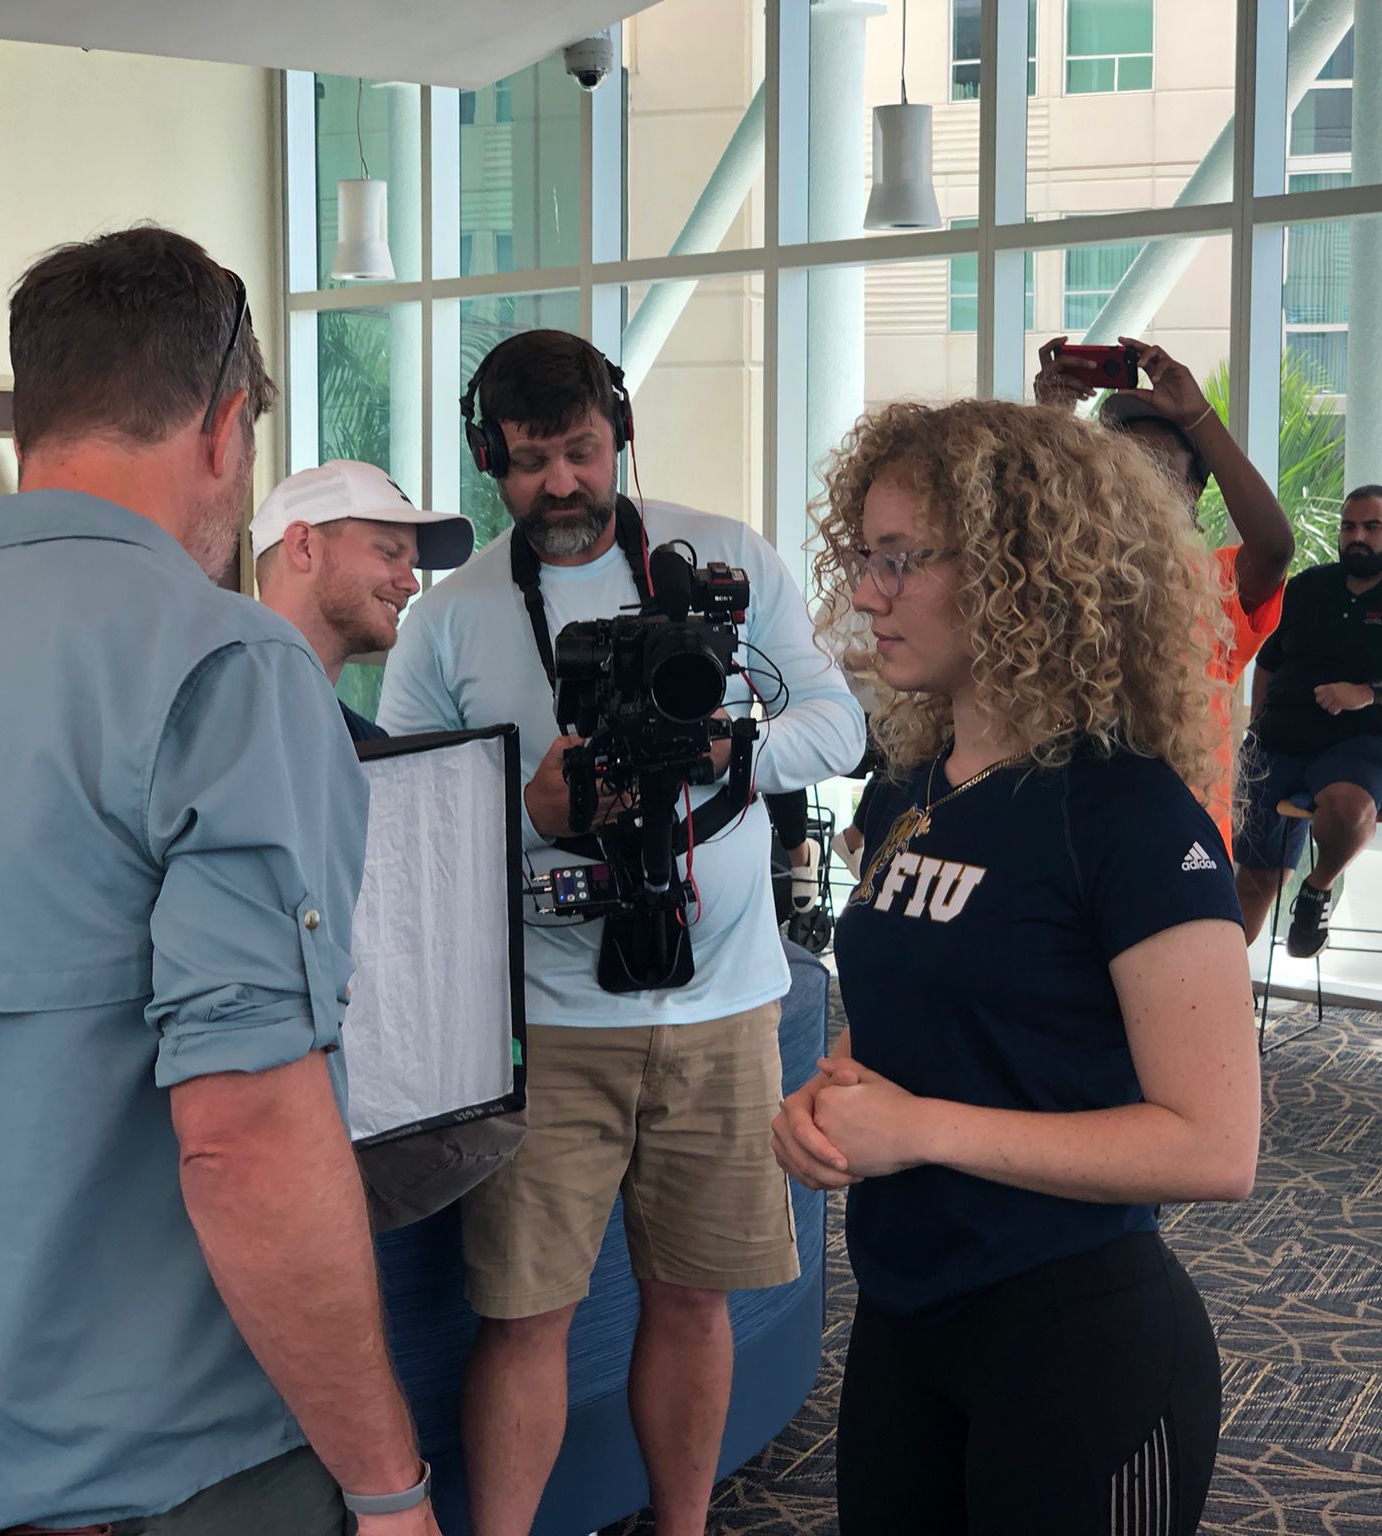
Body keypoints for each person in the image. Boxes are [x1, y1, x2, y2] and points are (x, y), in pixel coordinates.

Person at [0, 227, 438, 1536]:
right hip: (188, 1479)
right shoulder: (230, 673)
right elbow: (246, 1133)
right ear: (226, 430)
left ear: (33, 421)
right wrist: (389, 1487)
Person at [377, 329, 866, 1536]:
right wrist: (529, 810)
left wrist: (720, 747)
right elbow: (401, 813)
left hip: (722, 1004)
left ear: (618, 438)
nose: (559, 484)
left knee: (695, 1299)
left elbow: (839, 728)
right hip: (544, 1023)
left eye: (580, 452)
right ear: (491, 458)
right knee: (525, 1317)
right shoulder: (450, 617)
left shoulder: (725, 562)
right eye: (529, 459)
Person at [773, 398, 1260, 1535]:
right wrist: (835, 1092)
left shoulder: (1127, 817)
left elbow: (1213, 1143)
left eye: (902, 560)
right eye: (863, 557)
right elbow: (926, 1003)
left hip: (1077, 1336)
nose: (866, 593)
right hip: (905, 1316)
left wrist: (925, 1128)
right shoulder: (908, 790)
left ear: (1014, 573)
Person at [1036, 334, 1294, 853]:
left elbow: (1273, 546)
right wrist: (1051, 424)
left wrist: (1199, 416)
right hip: (1076, 840)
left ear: (1194, 492)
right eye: (1123, 471)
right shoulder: (1068, 577)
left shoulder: (1213, 584)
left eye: (1157, 471)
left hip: (1185, 850)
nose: (1139, 488)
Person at [1232, 484, 1382, 959]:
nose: (1356, 537)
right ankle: (1218, 984)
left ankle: (1318, 889)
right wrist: (1257, 726)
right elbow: (1268, 664)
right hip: (1281, 741)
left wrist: (1370, 693)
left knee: (1344, 808)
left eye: (1371, 527)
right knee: (1252, 873)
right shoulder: (1307, 588)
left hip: (1373, 742)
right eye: (1349, 527)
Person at [250, 458, 475, 743]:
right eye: (389, 552)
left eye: (412, 564)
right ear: (304, 547)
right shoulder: (204, 711)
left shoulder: (367, 747)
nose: (412, 584)